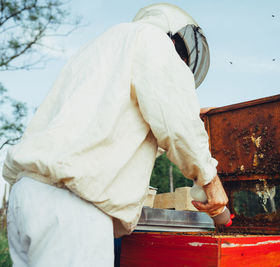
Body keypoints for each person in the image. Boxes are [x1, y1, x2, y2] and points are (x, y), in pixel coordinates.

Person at [2, 3, 228, 266]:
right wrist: (210, 181)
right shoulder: (154, 41)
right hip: (72, 207)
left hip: (27, 195)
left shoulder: (100, 50)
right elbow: (178, 126)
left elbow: (119, 132)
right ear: (179, 38)